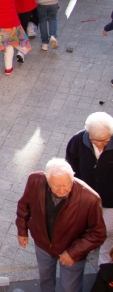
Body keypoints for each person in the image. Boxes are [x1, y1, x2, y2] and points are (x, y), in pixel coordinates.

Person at [16, 158, 106, 292]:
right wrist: (22, 231)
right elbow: (24, 206)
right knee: (45, 281)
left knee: (69, 288)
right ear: (47, 180)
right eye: (57, 186)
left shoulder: (90, 198)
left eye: (67, 184)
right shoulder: (34, 180)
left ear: (73, 177)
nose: (63, 190)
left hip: (72, 250)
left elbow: (98, 233)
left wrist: (73, 252)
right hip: (43, 245)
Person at [65, 112, 113, 265]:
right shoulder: (78, 139)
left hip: (110, 200)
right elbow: (71, 162)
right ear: (88, 133)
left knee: (107, 231)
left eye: (105, 140)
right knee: (87, 223)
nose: (101, 145)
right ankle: (90, 244)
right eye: (96, 140)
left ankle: (104, 264)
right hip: (86, 196)